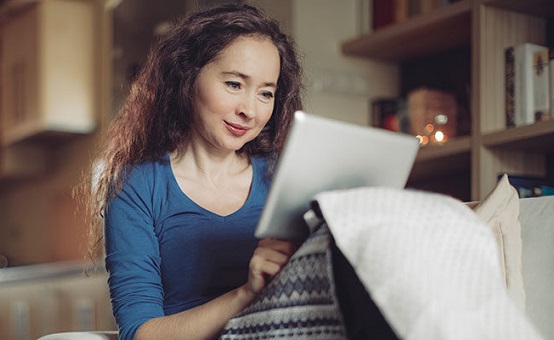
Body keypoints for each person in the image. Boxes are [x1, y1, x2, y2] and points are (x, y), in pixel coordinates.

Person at [81, 4, 304, 339]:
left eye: (266, 93)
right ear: (187, 78)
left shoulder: (283, 176)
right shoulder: (137, 185)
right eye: (233, 84)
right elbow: (140, 334)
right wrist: (246, 293)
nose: (249, 110)